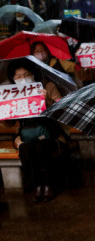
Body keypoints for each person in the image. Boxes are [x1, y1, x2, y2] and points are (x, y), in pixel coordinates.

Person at [8, 58, 68, 202]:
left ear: (33, 74)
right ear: (13, 78)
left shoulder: (48, 86)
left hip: (50, 132)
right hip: (25, 134)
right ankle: (37, 185)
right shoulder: (12, 94)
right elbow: (8, 123)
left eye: (27, 74)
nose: (23, 79)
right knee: (26, 148)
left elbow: (62, 112)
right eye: (18, 76)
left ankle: (47, 185)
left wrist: (46, 101)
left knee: (41, 147)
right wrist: (6, 109)